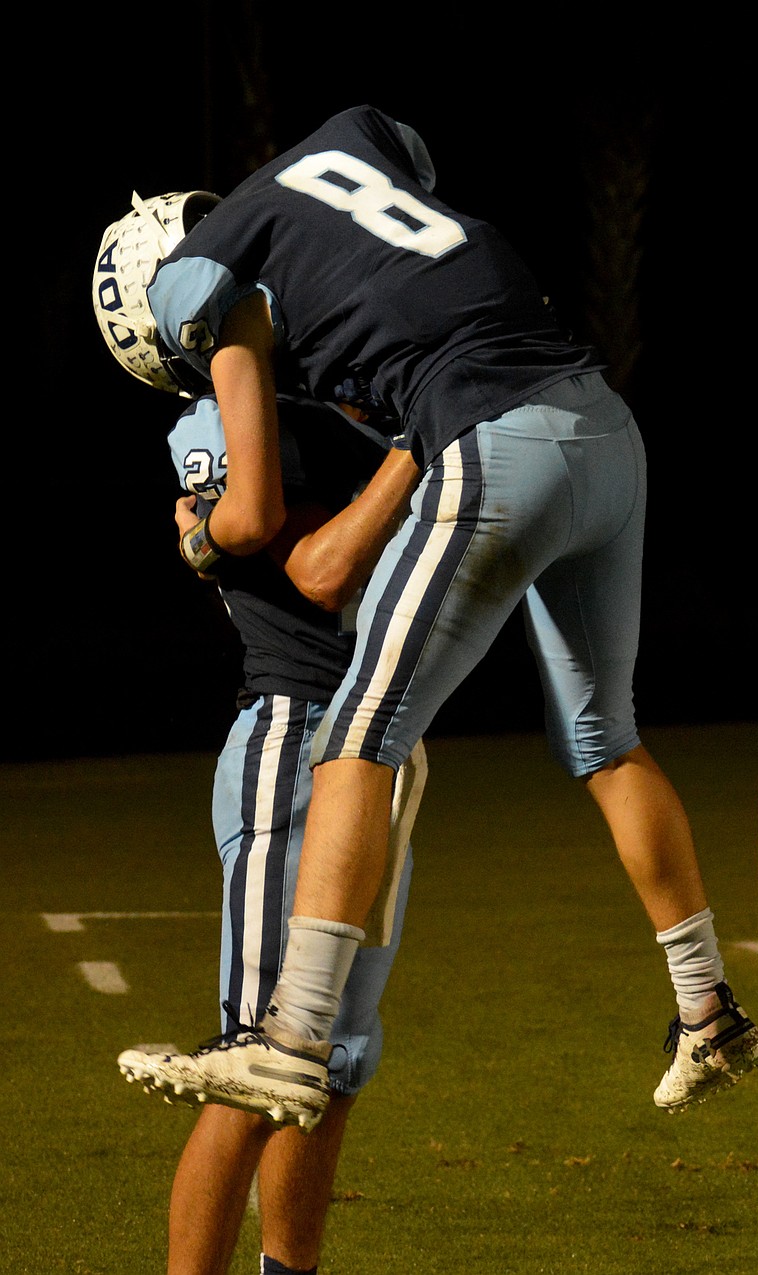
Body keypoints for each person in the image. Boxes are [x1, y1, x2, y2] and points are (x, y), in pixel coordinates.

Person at [92, 105, 758, 1141]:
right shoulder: (339, 148)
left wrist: (197, 536)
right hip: (601, 422)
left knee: (358, 729)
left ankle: (291, 1035)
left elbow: (255, 513)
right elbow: (405, 159)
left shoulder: (197, 291)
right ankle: (707, 1009)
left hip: (499, 437)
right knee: (603, 737)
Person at [119, 380, 425, 1275]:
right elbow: (310, 556)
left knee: (328, 1066)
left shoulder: (304, 403)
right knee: (258, 1058)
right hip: (298, 732)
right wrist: (417, 442)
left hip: (378, 739)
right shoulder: (227, 416)